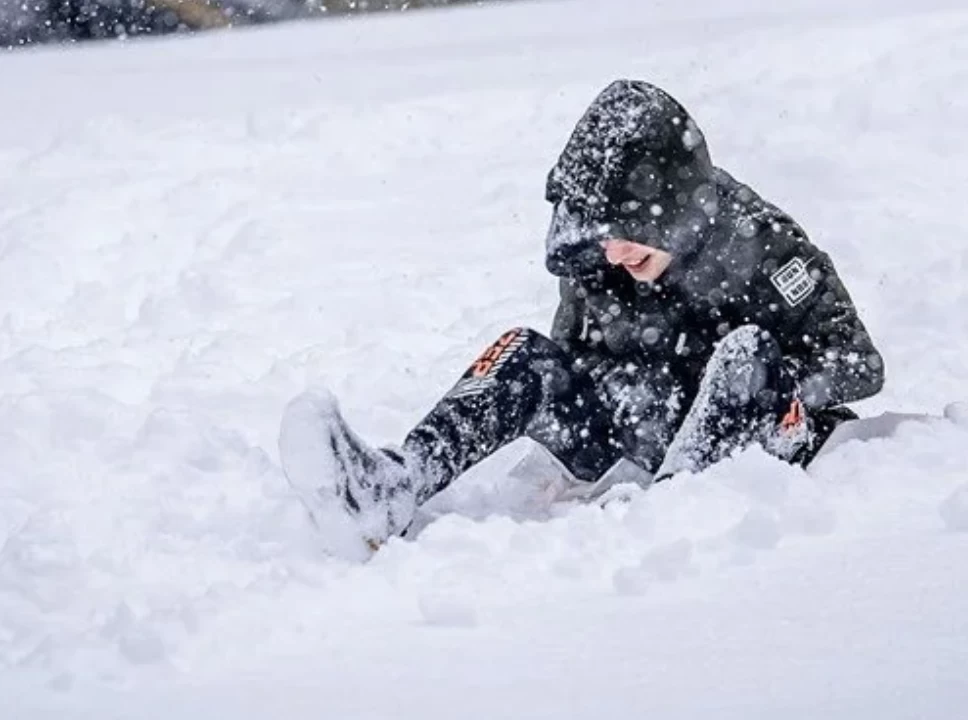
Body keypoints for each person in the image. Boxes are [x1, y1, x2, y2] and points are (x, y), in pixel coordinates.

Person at [278, 80, 885, 558]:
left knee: (746, 351)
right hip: (646, 427)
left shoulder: (761, 242)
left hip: (757, 443)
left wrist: (761, 390)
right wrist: (625, 398)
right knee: (525, 352)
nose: (614, 254)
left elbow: (858, 362)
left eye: (628, 235)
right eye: (603, 239)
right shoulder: (597, 257)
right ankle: (392, 489)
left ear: (669, 210)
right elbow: (576, 353)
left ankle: (679, 512)